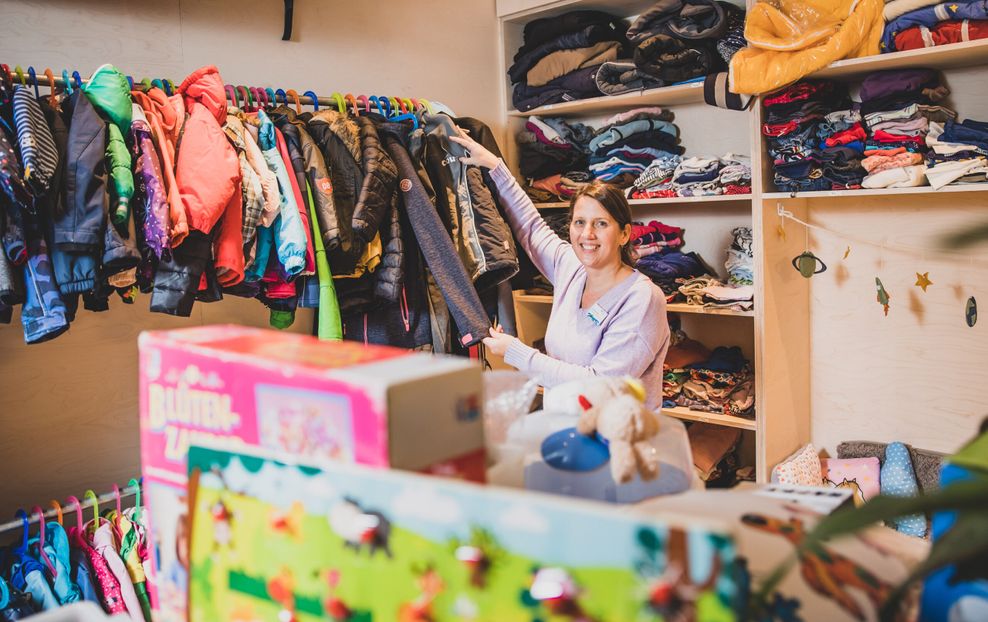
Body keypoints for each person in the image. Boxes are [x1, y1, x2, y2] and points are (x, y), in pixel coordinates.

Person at [450, 129, 670, 409]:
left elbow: (599, 385)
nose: (587, 234)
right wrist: (495, 167)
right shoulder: (572, 267)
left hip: (617, 442)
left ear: (624, 234)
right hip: (567, 432)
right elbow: (531, 227)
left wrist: (517, 353)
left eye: (601, 224)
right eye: (579, 222)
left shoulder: (642, 299)